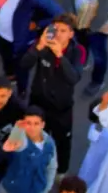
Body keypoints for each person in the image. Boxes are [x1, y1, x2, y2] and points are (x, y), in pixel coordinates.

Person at [20, 15, 83, 178]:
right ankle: (33, 164)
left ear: (71, 34)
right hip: (39, 103)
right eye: (55, 30)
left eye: (63, 31)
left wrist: (60, 56)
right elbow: (24, 64)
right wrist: (39, 47)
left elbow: (74, 78)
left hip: (61, 108)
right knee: (34, 136)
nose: (58, 34)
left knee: (62, 141)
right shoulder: (43, 43)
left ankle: (61, 171)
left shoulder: (78, 51)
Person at [59, 0, 108, 96]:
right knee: (81, 42)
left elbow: (105, 12)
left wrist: (92, 28)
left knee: (99, 54)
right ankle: (83, 60)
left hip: (97, 25)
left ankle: (98, 81)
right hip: (78, 17)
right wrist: (70, 12)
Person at [0, 107, 57, 193]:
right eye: (28, 123)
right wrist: (17, 130)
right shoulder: (20, 137)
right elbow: (15, 144)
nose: (32, 128)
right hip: (11, 190)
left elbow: (51, 167)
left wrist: (46, 189)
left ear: (43, 125)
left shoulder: (49, 143)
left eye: (36, 123)